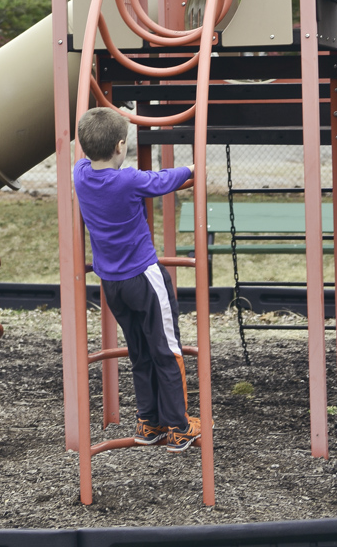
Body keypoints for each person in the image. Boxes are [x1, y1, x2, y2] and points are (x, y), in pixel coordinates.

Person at [73, 107, 204, 453]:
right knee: (167, 348)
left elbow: (86, 154)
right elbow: (163, 180)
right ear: (120, 146)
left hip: (111, 284)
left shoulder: (80, 174)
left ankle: (150, 422)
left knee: (140, 351)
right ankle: (179, 427)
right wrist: (192, 169)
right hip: (144, 277)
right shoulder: (127, 180)